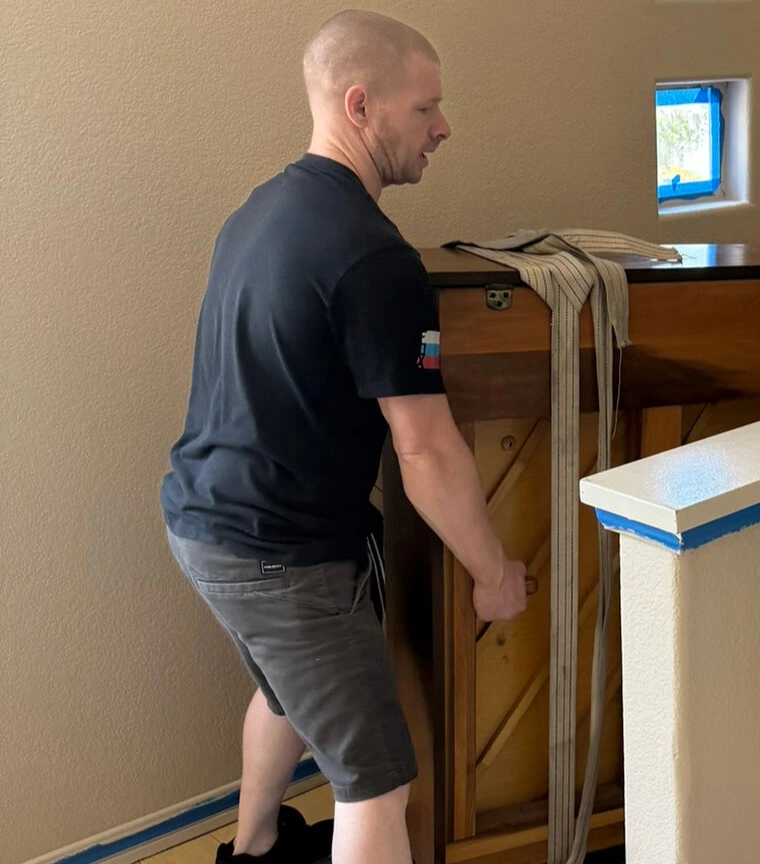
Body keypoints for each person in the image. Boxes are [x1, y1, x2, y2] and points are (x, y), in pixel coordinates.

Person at [159, 11, 526, 863]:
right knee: (378, 783)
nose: (444, 128)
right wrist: (493, 573)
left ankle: (251, 848)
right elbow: (426, 448)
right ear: (361, 106)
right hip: (279, 556)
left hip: (202, 523)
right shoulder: (375, 261)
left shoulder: (260, 210)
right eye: (425, 109)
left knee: (289, 698)